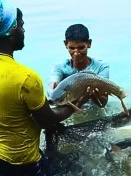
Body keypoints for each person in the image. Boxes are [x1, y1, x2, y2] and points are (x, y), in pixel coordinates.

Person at [0, 1, 91, 175]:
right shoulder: (25, 78)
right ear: (10, 31)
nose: (24, 31)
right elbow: (47, 120)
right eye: (21, 26)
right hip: (24, 161)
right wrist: (78, 102)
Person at [48, 24, 110, 107]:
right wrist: (52, 88)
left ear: (89, 43)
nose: (76, 53)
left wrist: (93, 95)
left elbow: (103, 103)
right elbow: (51, 90)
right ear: (65, 44)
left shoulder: (101, 67)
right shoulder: (59, 68)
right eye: (72, 48)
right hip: (67, 112)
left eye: (81, 48)